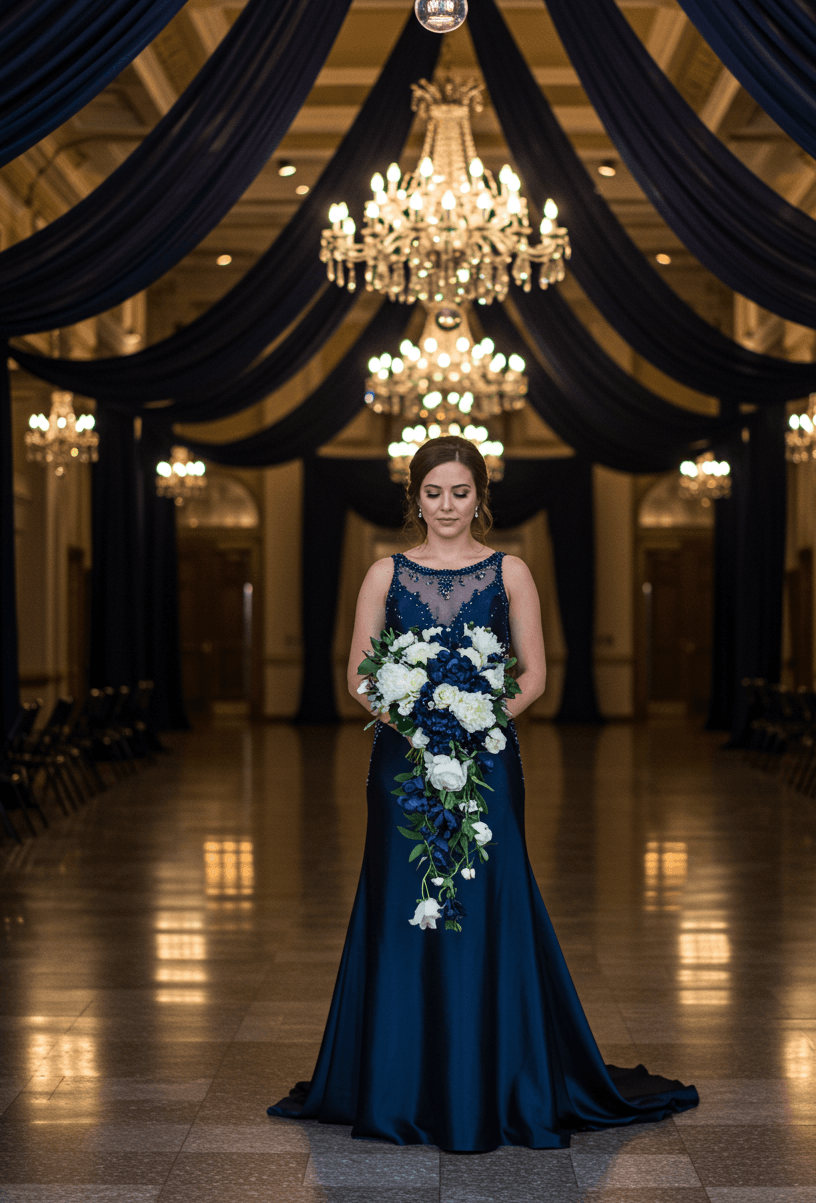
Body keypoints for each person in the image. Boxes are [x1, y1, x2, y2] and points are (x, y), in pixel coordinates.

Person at [268, 436, 698, 1151]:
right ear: (415, 497)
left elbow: (533, 675)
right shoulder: (384, 573)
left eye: (459, 493)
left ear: (481, 497)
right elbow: (359, 677)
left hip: (490, 761)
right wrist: (418, 719)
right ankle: (399, 1079)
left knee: (488, 899)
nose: (446, 507)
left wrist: (475, 719)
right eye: (433, 493)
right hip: (402, 766)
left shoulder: (511, 573)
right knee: (403, 907)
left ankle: (499, 1076)